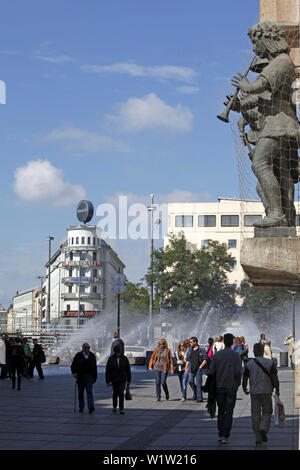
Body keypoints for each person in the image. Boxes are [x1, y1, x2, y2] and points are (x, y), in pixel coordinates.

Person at [231, 21, 299, 228]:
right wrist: (239, 106)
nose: (254, 49)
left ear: (267, 40)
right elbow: (264, 100)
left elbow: (261, 85)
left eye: (256, 42)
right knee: (282, 173)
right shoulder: (281, 61)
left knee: (260, 164)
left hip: (279, 126)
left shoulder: (281, 62)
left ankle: (277, 213)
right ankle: (285, 217)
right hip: (281, 125)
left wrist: (247, 86)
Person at [242, 342, 280, 445]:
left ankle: (258, 437)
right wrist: (277, 389)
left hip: (254, 392)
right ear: (263, 351)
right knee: (267, 412)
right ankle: (263, 428)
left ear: (254, 352)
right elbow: (274, 378)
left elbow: (245, 378)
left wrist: (244, 387)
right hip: (267, 391)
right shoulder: (269, 363)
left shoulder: (249, 364)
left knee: (255, 414)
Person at [207, 333, 242, 444]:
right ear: (232, 342)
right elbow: (238, 372)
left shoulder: (217, 355)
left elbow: (211, 371)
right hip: (231, 387)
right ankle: (226, 435)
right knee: (229, 412)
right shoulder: (236, 355)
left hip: (219, 387)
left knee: (221, 411)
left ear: (223, 342)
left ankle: (221, 433)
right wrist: (238, 384)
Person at [71, 343, 97, 414]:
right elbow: (73, 366)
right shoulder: (78, 355)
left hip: (89, 377)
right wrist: (74, 373)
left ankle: (91, 407)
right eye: (85, 348)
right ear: (82, 348)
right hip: (80, 376)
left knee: (89, 392)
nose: (87, 349)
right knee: (81, 393)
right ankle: (81, 407)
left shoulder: (92, 356)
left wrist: (94, 378)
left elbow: (95, 368)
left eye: (88, 347)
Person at [106, 345, 131, 415]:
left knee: (121, 393)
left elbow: (128, 370)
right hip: (114, 379)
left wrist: (129, 379)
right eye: (117, 353)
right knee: (115, 393)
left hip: (122, 379)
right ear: (115, 352)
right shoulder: (111, 359)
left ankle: (121, 408)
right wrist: (107, 381)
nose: (118, 354)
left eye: (119, 352)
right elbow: (108, 370)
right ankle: (114, 406)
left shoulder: (124, 358)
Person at [185, 337, 208, 403]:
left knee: (198, 383)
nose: (190, 343)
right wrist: (186, 368)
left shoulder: (201, 349)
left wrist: (201, 367)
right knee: (190, 381)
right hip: (191, 368)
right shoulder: (189, 349)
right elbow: (187, 360)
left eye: (191, 342)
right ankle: (195, 392)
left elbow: (205, 359)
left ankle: (199, 397)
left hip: (198, 368)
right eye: (190, 342)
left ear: (195, 342)